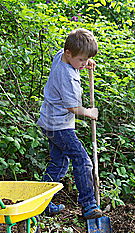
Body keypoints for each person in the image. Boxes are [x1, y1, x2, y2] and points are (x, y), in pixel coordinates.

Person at [37, 28, 102, 219]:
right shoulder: (67, 78)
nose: (83, 64)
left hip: (48, 122)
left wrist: (85, 59)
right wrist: (89, 113)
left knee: (58, 164)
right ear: (69, 53)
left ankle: (42, 204)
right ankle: (89, 205)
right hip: (58, 126)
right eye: (81, 60)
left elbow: (73, 54)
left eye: (85, 60)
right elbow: (73, 108)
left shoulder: (61, 56)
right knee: (83, 161)